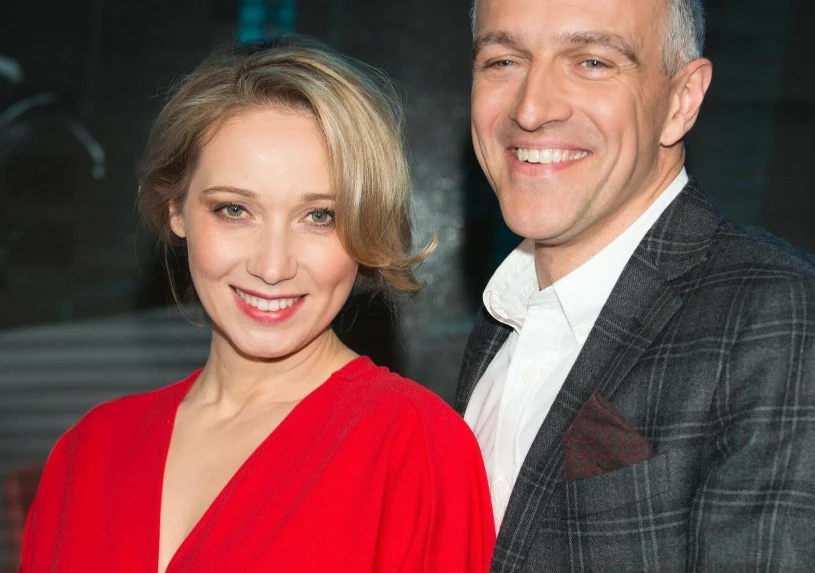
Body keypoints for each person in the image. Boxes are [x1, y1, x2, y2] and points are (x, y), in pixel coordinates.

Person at [21, 35, 495, 572]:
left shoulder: (413, 450)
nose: (272, 267)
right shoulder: (89, 453)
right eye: (234, 210)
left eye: (320, 216)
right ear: (176, 208)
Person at [458, 0, 815, 570]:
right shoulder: (504, 317)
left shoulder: (778, 316)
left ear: (682, 100)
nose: (531, 108)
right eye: (503, 61)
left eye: (593, 62)